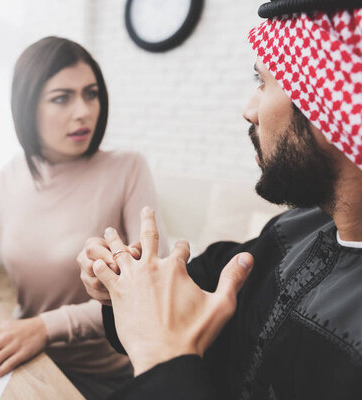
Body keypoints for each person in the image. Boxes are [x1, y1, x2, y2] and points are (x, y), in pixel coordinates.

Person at [77, 1, 362, 399]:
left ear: (334, 102)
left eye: (264, 83)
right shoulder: (294, 227)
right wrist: (127, 286)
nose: (249, 111)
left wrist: (164, 363)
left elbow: (171, 352)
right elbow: (200, 289)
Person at [0, 37, 168, 399]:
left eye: (91, 93)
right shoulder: (11, 175)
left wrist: (44, 327)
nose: (83, 111)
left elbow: (150, 289)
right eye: (61, 98)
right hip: (27, 357)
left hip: (106, 371)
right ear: (27, 107)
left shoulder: (127, 168)